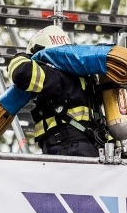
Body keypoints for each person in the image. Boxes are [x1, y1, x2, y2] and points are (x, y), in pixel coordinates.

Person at [8, 25, 106, 157]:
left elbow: (21, 72)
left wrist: (27, 56)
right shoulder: (87, 80)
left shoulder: (57, 76)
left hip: (67, 148)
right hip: (91, 149)